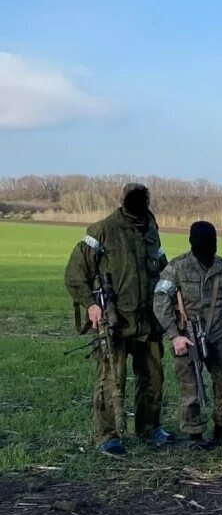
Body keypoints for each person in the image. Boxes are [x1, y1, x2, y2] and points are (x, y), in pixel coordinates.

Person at [63, 182, 173, 455]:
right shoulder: (102, 230)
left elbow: (163, 269)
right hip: (115, 321)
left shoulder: (151, 230)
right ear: (122, 201)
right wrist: (90, 304)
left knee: (153, 377)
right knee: (112, 379)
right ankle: (108, 435)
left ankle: (150, 428)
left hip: (148, 320)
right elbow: (75, 273)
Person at [153, 221, 222, 449]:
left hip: (220, 336)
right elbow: (160, 302)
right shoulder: (176, 268)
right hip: (188, 337)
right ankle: (194, 433)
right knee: (190, 388)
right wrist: (175, 335)